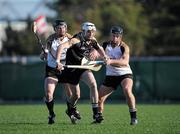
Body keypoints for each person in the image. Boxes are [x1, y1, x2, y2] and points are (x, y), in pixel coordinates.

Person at [56, 22, 107, 123]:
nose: (91, 34)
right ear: (83, 31)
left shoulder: (92, 40)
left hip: (83, 66)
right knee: (76, 95)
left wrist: (105, 57)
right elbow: (61, 47)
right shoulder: (76, 40)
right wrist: (58, 61)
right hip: (72, 70)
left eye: (93, 31)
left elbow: (99, 48)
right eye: (88, 31)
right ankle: (70, 109)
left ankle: (96, 112)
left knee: (93, 84)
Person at [40, 19, 81, 124]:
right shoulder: (50, 39)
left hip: (66, 68)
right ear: (55, 29)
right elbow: (44, 53)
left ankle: (71, 111)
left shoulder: (71, 38)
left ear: (66, 28)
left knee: (71, 94)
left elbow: (78, 51)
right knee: (49, 94)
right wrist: (44, 55)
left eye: (63, 27)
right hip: (52, 69)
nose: (61, 29)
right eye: (58, 28)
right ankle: (51, 114)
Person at [98, 26, 138, 125]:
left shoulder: (124, 47)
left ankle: (133, 118)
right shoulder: (105, 45)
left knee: (127, 91)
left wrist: (110, 61)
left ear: (120, 37)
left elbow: (125, 62)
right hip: (111, 75)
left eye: (117, 36)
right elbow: (96, 52)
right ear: (110, 35)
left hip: (124, 74)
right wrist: (93, 54)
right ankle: (99, 118)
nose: (115, 38)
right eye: (113, 36)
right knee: (99, 98)